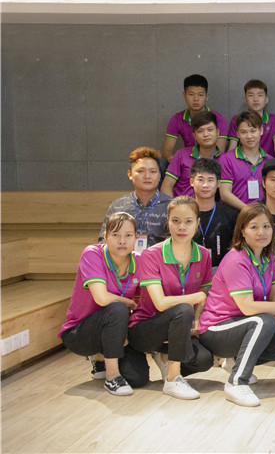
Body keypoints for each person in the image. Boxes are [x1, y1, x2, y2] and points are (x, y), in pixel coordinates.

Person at [198, 203, 275, 407]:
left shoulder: (268, 258)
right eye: (254, 227)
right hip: (216, 328)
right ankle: (236, 382)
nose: (261, 232)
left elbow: (274, 299)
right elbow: (248, 308)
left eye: (266, 226)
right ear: (242, 231)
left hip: (243, 325)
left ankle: (235, 363)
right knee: (264, 321)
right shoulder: (236, 259)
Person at [128, 196, 214, 399]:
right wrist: (195, 298)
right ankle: (173, 379)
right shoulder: (151, 255)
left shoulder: (203, 255)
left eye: (188, 221)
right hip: (146, 328)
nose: (182, 227)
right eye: (176, 221)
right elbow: (160, 303)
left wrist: (197, 319)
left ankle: (165, 357)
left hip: (179, 329)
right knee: (183, 308)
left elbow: (204, 295)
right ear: (167, 222)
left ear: (197, 223)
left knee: (204, 360)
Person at [60, 212, 148, 396]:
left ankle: (101, 358)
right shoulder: (92, 254)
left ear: (136, 238)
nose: (122, 241)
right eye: (115, 235)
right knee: (117, 308)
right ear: (105, 237)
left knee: (138, 378)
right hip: (82, 333)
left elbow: (143, 303)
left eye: (128, 235)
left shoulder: (139, 261)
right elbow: (102, 298)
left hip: (117, 331)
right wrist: (128, 302)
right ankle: (112, 376)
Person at [100, 146, 172, 252]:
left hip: (159, 261)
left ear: (160, 175)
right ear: (130, 174)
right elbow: (103, 242)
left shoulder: (171, 206)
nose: (147, 176)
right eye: (141, 171)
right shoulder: (118, 206)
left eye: (153, 171)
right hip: (125, 261)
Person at [162, 74, 227, 160]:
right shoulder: (176, 119)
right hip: (187, 161)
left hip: (211, 162)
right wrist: (176, 162)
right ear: (184, 95)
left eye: (200, 95)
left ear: (207, 96)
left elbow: (220, 152)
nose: (196, 99)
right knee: (162, 163)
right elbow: (167, 152)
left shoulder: (218, 119)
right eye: (191, 94)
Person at [189, 158, 238, 269]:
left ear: (218, 183)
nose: (205, 185)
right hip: (189, 271)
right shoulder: (183, 213)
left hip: (223, 270)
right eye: (200, 180)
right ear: (191, 182)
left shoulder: (230, 214)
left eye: (210, 180)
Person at [162, 111, 222, 197]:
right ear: (194, 136)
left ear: (218, 132)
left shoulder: (226, 159)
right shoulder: (181, 154)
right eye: (200, 131)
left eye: (210, 130)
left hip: (211, 205)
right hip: (183, 204)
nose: (206, 134)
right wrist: (174, 205)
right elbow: (167, 185)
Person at [219, 111, 272, 210]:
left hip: (263, 212)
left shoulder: (269, 161)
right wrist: (248, 210)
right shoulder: (227, 159)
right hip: (235, 212)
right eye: (244, 132)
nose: (249, 136)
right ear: (237, 134)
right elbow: (224, 194)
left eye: (253, 131)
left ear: (261, 130)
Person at [228, 79, 275, 156]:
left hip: (268, 161)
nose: (255, 99)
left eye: (260, 95)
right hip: (244, 160)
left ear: (266, 99)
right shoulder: (237, 119)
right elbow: (232, 146)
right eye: (251, 95)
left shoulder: (273, 119)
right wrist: (228, 160)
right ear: (245, 100)